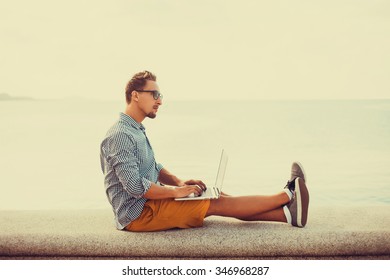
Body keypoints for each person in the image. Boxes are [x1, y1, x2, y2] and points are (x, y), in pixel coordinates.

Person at [100, 70, 309, 232]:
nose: (160, 101)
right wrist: (176, 193)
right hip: (138, 215)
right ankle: (287, 194)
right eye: (154, 94)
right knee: (215, 201)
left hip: (149, 205)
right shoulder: (120, 135)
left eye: (160, 95)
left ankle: (288, 215)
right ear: (135, 95)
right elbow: (135, 186)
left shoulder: (135, 130)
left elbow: (153, 167)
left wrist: (179, 183)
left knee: (219, 196)